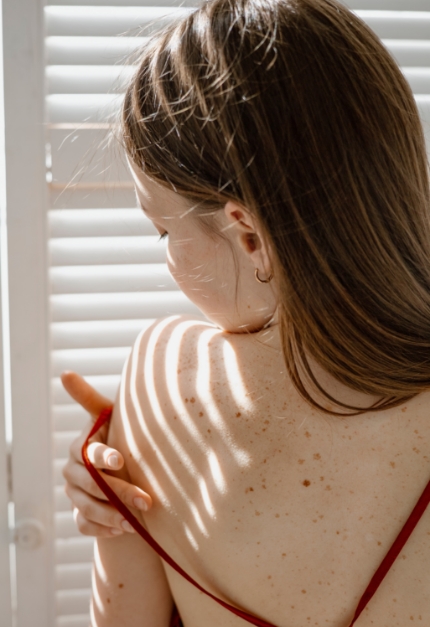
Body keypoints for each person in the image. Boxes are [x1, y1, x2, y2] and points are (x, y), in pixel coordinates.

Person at [62, 0, 430, 625]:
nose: (166, 258)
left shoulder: (162, 373)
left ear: (249, 234)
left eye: (162, 230)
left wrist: (117, 491)